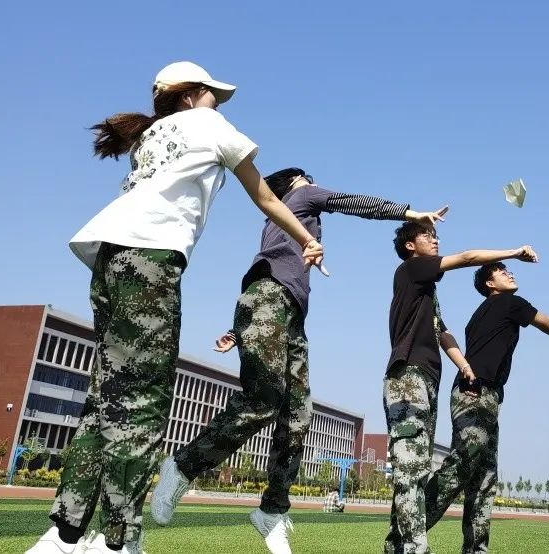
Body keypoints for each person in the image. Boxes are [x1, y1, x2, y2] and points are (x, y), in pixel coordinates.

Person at [26, 62, 324, 554]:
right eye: (212, 95)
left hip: (107, 257)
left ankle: (64, 536)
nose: (219, 104)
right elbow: (267, 197)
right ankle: (119, 543)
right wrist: (308, 239)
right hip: (150, 259)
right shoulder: (208, 124)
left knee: (105, 401)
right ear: (191, 95)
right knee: (141, 401)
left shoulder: (152, 133)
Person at [151, 167, 445, 554]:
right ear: (294, 183)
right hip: (269, 301)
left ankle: (271, 510)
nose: (314, 182)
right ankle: (184, 465)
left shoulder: (292, 221)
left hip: (287, 314)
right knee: (263, 399)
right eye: (308, 176)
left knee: (298, 416)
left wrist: (239, 330)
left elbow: (270, 285)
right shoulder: (301, 198)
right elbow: (351, 202)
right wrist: (410, 213)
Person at [383, 223, 538, 554]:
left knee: (417, 469)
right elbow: (468, 257)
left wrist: (465, 366)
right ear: (411, 246)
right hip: (407, 377)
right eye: (427, 236)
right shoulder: (410, 270)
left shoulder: (426, 293)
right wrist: (514, 251)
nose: (435, 239)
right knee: (410, 469)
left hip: (428, 381)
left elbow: (443, 333)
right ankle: (411, 548)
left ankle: (397, 545)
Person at [424, 262, 549, 553]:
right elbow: (547, 322)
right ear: (490, 285)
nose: (510, 274)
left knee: (484, 477)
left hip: (486, 395)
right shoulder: (509, 303)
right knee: (463, 463)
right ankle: (409, 527)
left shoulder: (480, 314)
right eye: (502, 272)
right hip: (474, 392)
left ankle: (476, 550)